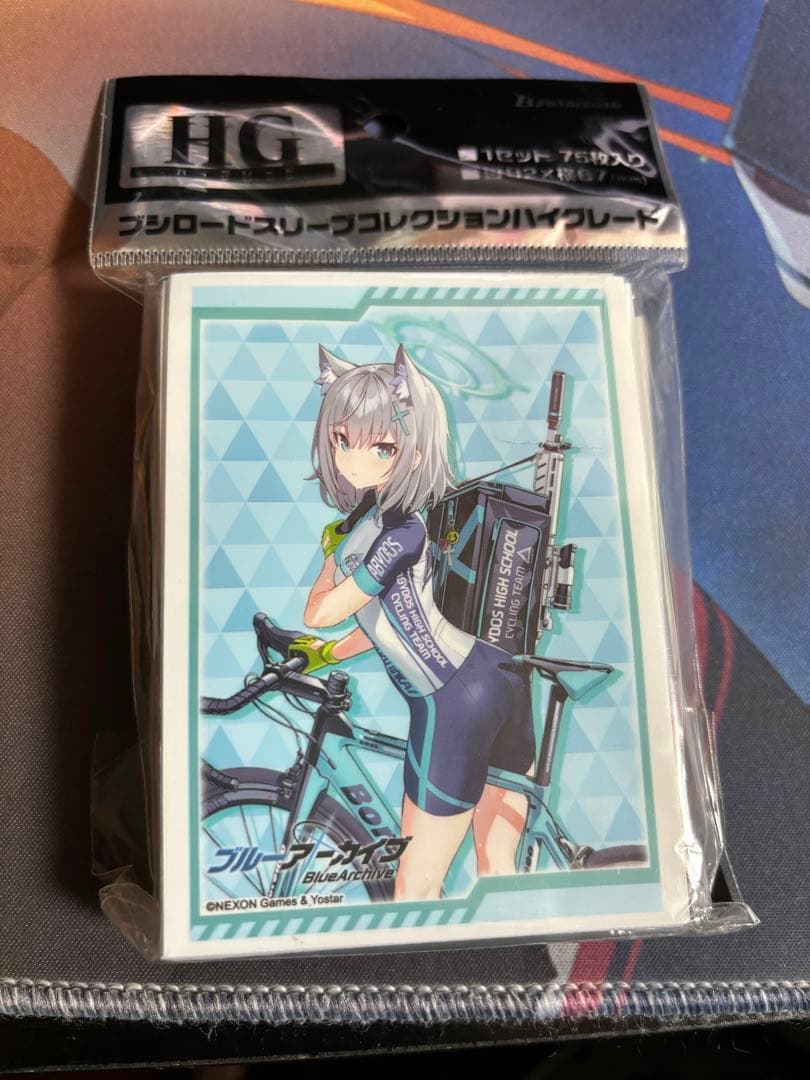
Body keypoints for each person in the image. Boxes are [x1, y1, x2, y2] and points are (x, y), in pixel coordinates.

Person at [292, 344, 535, 900]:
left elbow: (321, 612)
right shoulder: (376, 523)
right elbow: (390, 623)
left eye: (381, 446)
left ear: (415, 452)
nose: (354, 459)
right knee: (499, 872)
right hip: (500, 676)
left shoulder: (402, 532)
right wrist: (325, 655)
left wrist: (330, 560)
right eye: (342, 439)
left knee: (416, 887)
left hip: (452, 702)